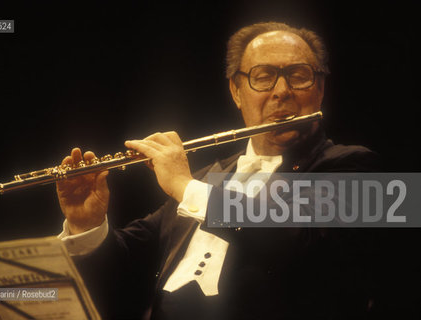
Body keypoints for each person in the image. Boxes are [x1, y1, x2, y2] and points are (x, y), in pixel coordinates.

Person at [57, 22, 379, 319]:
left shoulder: (354, 165)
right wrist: (87, 223)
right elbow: (122, 274)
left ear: (319, 89)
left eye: (298, 75)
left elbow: (300, 242)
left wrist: (185, 187)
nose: (282, 90)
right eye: (263, 76)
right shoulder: (207, 179)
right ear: (237, 92)